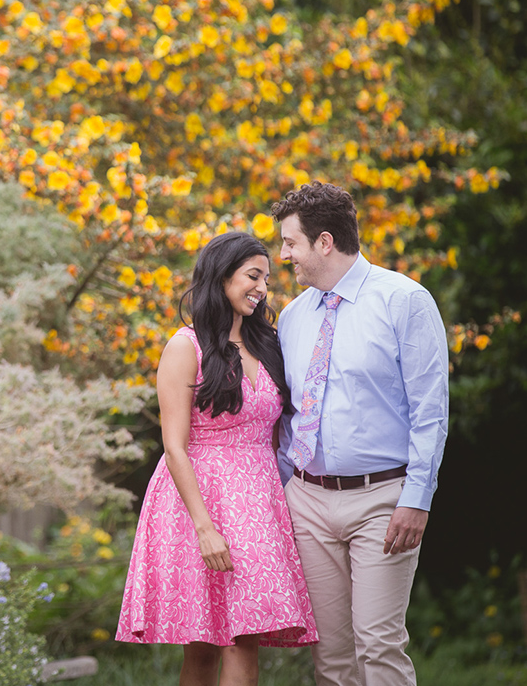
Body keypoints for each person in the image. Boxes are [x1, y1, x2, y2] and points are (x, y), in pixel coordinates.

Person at [116, 231, 317, 686]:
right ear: (221, 276)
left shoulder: (268, 344)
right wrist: (204, 527)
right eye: (253, 276)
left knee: (243, 637)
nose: (262, 288)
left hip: (259, 502)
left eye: (266, 278)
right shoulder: (184, 346)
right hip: (197, 500)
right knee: (203, 647)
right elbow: (174, 446)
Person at [270, 181, 449, 686]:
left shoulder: (405, 300)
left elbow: (430, 411)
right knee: (330, 656)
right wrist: (282, 491)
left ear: (324, 242)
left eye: (290, 243)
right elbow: (289, 415)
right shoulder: (292, 317)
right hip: (308, 500)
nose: (285, 256)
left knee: (378, 644)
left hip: (382, 501)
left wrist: (417, 498)